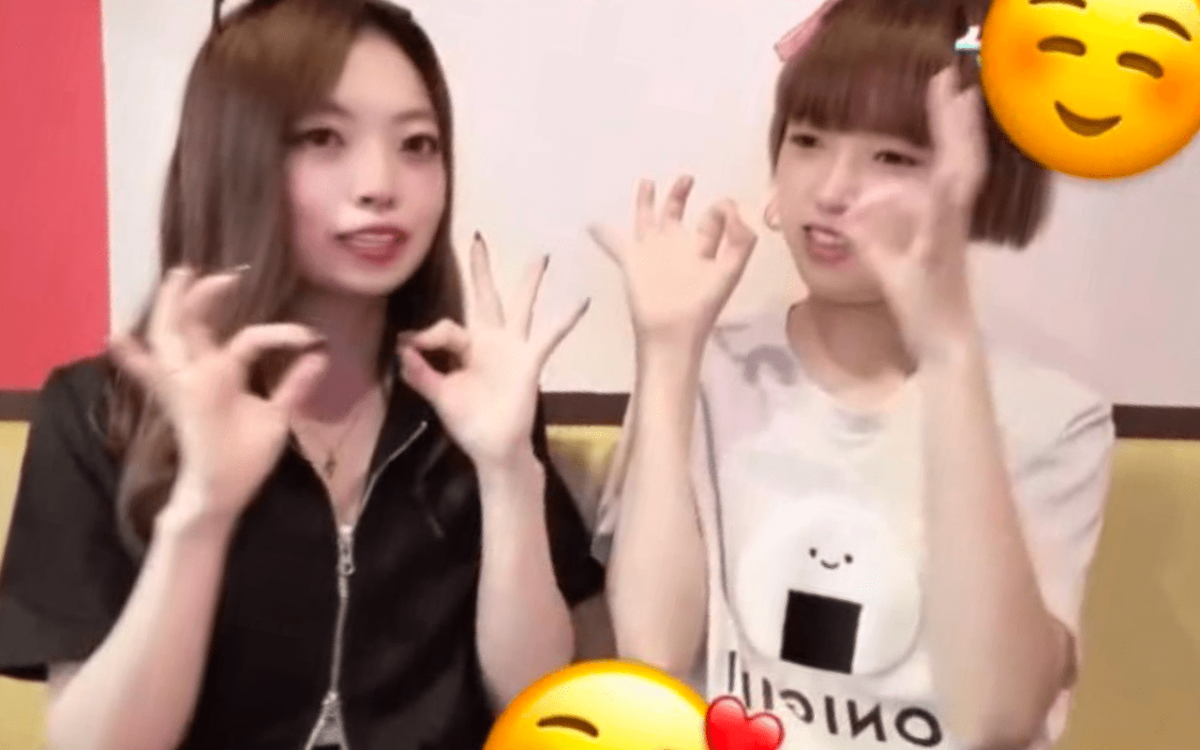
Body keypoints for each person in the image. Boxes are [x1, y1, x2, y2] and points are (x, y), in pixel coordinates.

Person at [0, 1, 608, 749]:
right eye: (323, 138)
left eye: (417, 144)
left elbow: (538, 704)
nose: (381, 184)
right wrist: (202, 510)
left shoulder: (471, 401)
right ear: (235, 157)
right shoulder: (100, 413)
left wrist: (508, 470)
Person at [591, 1, 1115, 748]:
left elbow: (998, 719)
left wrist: (949, 352)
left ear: (980, 177)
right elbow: (653, 655)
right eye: (808, 140)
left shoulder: (1052, 419)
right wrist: (669, 352)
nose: (833, 188)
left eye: (893, 157)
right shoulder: (713, 371)